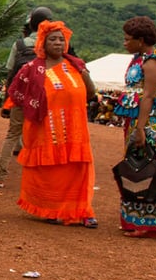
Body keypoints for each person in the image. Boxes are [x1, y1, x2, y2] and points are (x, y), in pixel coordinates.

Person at [6, 20, 98, 227]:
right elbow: (17, 96)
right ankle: (52, 209)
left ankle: (83, 210)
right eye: (52, 39)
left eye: (61, 39)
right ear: (42, 43)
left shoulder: (76, 65)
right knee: (52, 173)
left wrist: (80, 79)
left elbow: (90, 92)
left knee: (77, 171)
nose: (58, 43)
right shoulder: (31, 69)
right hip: (46, 132)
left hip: (75, 132)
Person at [114, 15, 156, 237]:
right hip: (136, 121)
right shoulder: (140, 58)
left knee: (147, 165)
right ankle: (137, 218)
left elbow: (148, 96)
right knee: (135, 165)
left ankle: (151, 222)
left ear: (140, 40)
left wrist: (140, 128)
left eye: (128, 39)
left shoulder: (153, 62)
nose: (125, 42)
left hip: (147, 121)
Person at [0, 6, 53, 188]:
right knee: (43, 136)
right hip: (44, 97)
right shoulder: (52, 44)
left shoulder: (19, 44)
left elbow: (11, 72)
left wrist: (7, 100)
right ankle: (41, 178)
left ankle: (0, 175)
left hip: (21, 96)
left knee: (12, 134)